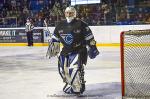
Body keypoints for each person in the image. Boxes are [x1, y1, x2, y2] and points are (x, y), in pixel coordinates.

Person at [46, 6, 99, 95]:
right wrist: (53, 49)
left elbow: (90, 37)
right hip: (65, 51)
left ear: (74, 14)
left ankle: (77, 88)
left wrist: (92, 47)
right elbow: (55, 38)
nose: (69, 14)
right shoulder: (60, 25)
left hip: (78, 50)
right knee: (62, 70)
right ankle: (71, 84)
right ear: (65, 13)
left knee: (74, 70)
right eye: (67, 12)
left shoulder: (81, 24)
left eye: (71, 13)